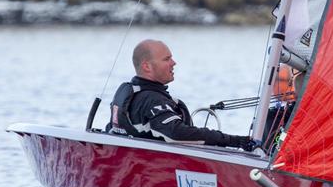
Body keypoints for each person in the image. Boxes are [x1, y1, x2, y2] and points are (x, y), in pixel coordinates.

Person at [106, 39, 255, 151]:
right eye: (166, 59)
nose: (174, 63)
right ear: (147, 66)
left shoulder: (129, 93)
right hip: (156, 171)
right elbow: (177, 133)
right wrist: (236, 141)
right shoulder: (151, 99)